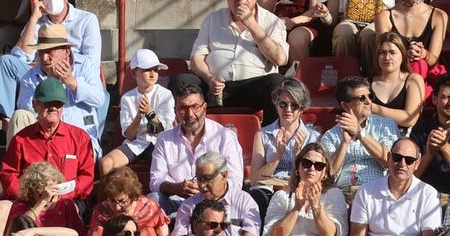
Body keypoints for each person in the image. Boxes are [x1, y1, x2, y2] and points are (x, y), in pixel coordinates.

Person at [0, 0, 101, 142]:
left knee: (99, 97)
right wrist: (35, 16)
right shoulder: (37, 21)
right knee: (6, 61)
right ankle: (7, 124)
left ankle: (91, 141)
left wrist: (67, 74)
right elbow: (19, 57)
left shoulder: (86, 20)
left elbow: (92, 62)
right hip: (41, 74)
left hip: (77, 73)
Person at [179, 0, 288, 120]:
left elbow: (280, 59)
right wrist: (209, 78)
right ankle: (181, 136)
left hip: (253, 88)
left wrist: (251, 24)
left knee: (277, 82)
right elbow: (196, 58)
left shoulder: (272, 22)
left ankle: (268, 137)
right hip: (216, 87)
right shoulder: (212, 19)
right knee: (181, 81)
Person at [0, 79, 94, 236]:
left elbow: (87, 177)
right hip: (29, 200)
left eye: (58, 104)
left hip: (66, 199)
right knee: (0, 209)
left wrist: (64, 196)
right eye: (48, 103)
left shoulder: (80, 137)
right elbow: (8, 175)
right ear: (35, 105)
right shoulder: (21, 139)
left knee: (73, 208)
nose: (54, 108)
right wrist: (31, 196)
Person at [6, 23, 109, 150]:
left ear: (66, 51)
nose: (44, 58)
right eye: (40, 52)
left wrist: (72, 82)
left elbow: (99, 99)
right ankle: (16, 166)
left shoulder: (85, 66)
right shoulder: (30, 77)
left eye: (49, 52)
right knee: (19, 116)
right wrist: (50, 85)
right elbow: (27, 111)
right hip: (43, 141)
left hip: (79, 141)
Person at [150, 80, 244, 216]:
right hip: (178, 199)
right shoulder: (165, 139)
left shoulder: (225, 136)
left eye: (195, 107)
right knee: (153, 199)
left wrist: (208, 188)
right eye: (183, 108)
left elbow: (235, 181)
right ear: (176, 111)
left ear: (205, 108)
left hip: (215, 201)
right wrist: (176, 188)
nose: (190, 114)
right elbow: (155, 179)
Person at [318, 76, 400, 198]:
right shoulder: (331, 135)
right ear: (345, 106)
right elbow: (330, 173)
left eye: (370, 96)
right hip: (343, 193)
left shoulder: (386, 125)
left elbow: (390, 161)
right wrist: (344, 143)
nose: (368, 101)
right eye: (362, 98)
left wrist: (360, 132)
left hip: (376, 190)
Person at [247, 77, 320, 214]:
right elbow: (254, 180)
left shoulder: (313, 137)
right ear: (276, 105)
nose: (288, 110)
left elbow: (315, 176)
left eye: (294, 105)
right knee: (256, 197)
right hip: (269, 190)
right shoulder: (263, 135)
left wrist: (299, 156)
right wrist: (277, 156)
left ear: (302, 109)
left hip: (299, 188)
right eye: (283, 104)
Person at [372, 0, 450, 86]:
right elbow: (383, 55)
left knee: (420, 64)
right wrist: (404, 56)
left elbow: (434, 59)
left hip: (426, 75)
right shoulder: (384, 17)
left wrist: (423, 53)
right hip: (396, 74)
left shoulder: (439, 16)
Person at [170, 150, 261, 236]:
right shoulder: (188, 206)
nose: (202, 185)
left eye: (207, 179)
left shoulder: (244, 201)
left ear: (224, 175)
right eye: (199, 179)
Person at [101, 48, 174, 176]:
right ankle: (106, 195)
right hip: (136, 144)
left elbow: (162, 133)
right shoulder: (127, 98)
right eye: (147, 70)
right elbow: (129, 135)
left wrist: (149, 113)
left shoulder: (165, 95)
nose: (152, 74)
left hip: (160, 144)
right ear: (135, 73)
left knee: (164, 167)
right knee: (106, 163)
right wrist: (139, 117)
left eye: (156, 70)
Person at [85, 167, 170, 236]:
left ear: (134, 196)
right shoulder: (101, 211)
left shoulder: (150, 207)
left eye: (122, 201)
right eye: (112, 201)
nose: (117, 207)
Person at [369, 31, 426, 129]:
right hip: (371, 138)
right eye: (382, 53)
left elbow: (409, 119)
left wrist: (373, 108)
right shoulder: (366, 83)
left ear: (403, 56)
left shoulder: (413, 80)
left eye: (392, 52)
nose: (387, 57)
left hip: (403, 140)